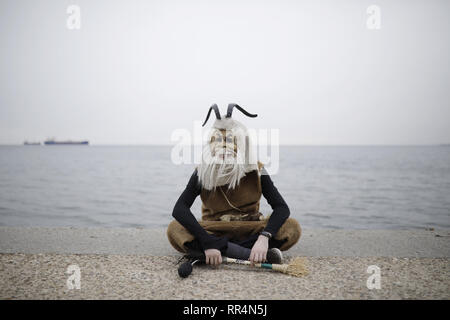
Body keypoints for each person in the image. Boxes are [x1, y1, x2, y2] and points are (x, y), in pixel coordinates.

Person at [167, 104, 301, 266]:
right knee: (175, 229)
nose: (224, 147)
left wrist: (264, 237)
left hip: (250, 227)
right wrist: (208, 240)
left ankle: (222, 250)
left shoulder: (257, 169)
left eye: (229, 141)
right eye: (218, 141)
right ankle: (251, 253)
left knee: (292, 227)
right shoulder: (202, 171)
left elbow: (281, 208)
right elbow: (179, 209)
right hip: (215, 228)